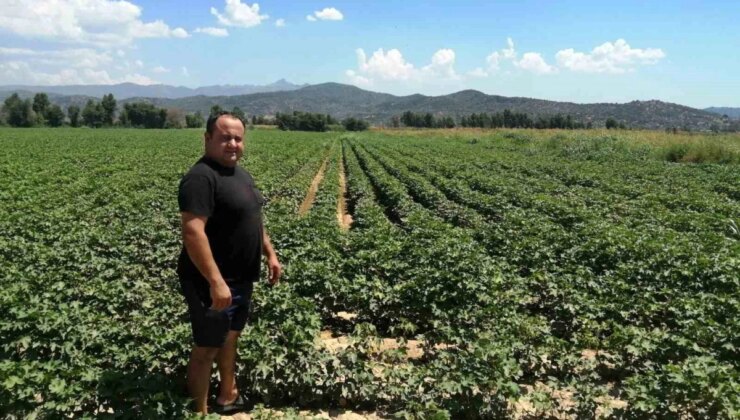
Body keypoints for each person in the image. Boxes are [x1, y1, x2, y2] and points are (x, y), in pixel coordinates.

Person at [177, 111, 281, 415]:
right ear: (207, 139)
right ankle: (199, 411)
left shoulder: (240, 175)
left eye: (237, 138)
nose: (232, 144)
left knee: (230, 337)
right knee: (207, 347)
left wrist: (270, 253)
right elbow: (193, 232)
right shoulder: (200, 177)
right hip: (211, 282)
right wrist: (215, 281)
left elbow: (254, 219)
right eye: (224, 138)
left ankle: (227, 395)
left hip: (240, 278)